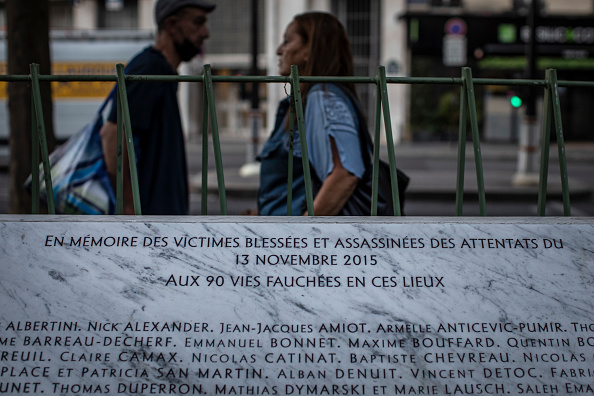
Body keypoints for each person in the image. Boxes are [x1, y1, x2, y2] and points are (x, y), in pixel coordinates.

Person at [100, 0, 215, 215]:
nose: (205, 33)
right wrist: (128, 204)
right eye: (198, 23)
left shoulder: (162, 71)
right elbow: (112, 133)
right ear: (172, 25)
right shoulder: (149, 68)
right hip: (149, 219)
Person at [257, 12, 367, 216]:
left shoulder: (322, 97)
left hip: (296, 243)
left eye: (287, 41)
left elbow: (345, 174)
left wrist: (303, 231)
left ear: (310, 50)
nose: (279, 50)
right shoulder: (301, 101)